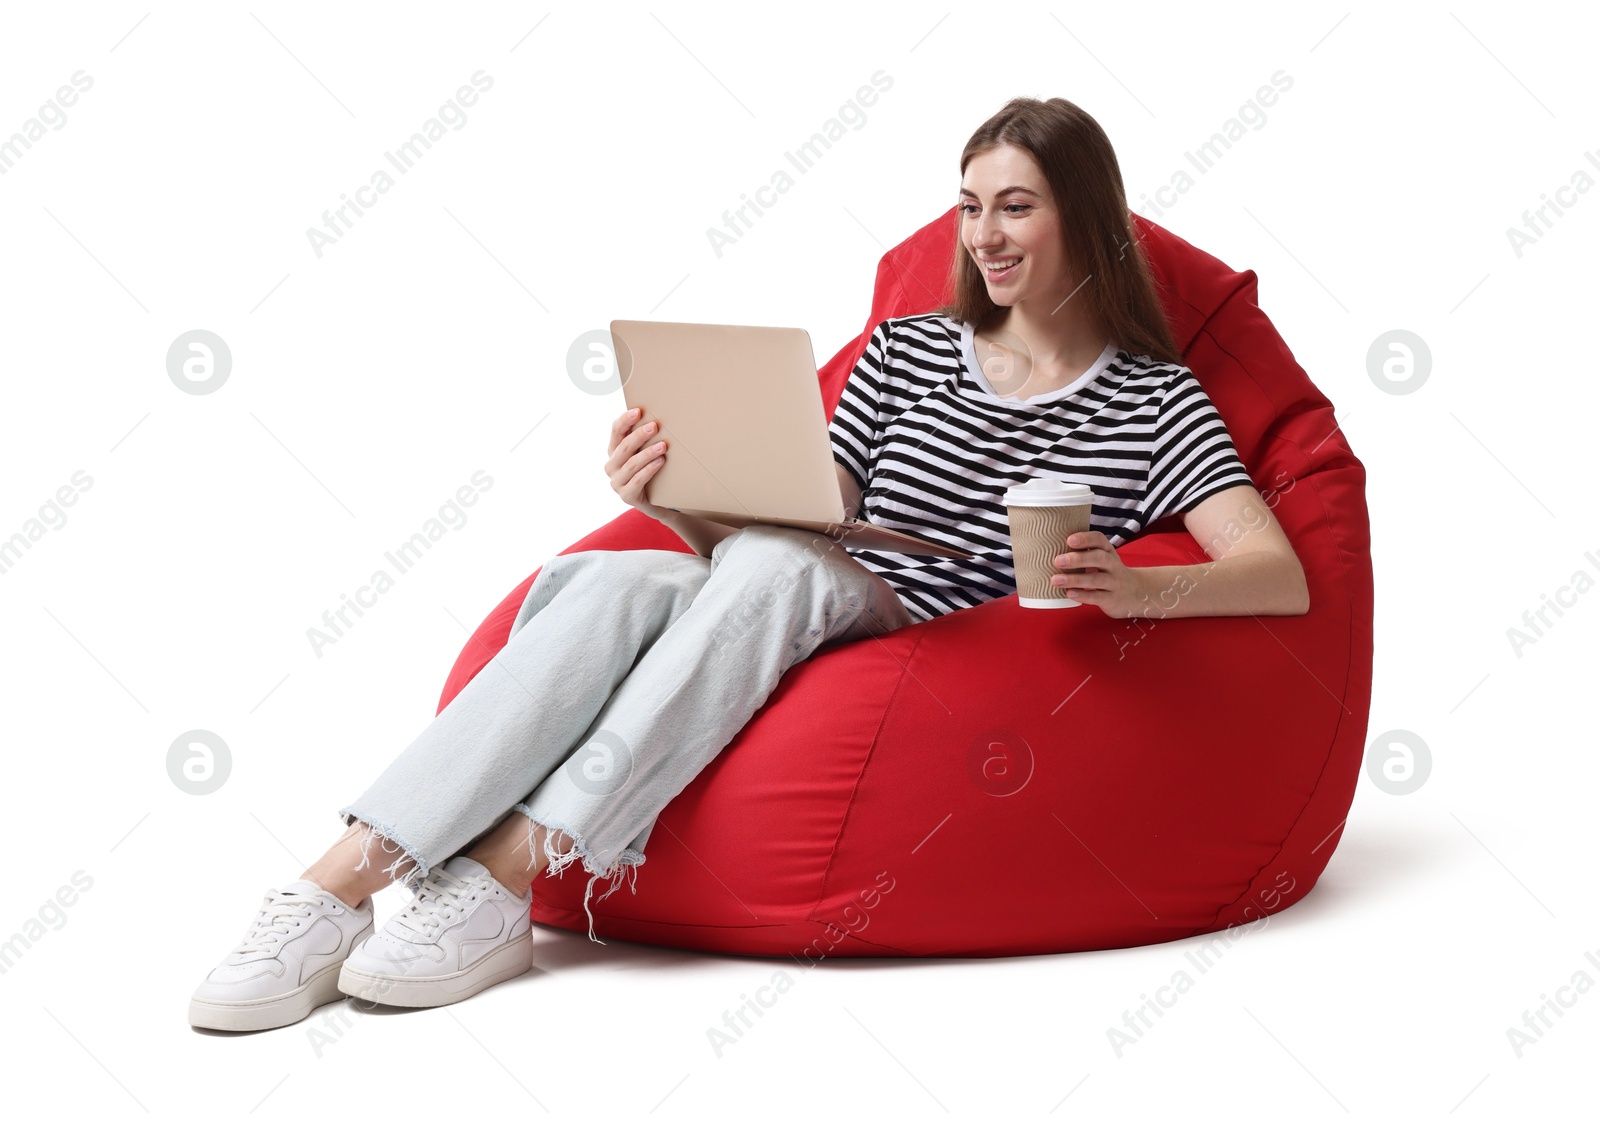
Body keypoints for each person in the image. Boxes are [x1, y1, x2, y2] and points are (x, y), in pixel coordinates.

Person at [188, 96, 1308, 1033]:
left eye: (1016, 204)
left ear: (1087, 218)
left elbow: (1275, 571)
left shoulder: (1152, 401)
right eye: (970, 206)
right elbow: (800, 531)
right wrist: (667, 500)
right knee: (619, 577)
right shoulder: (909, 349)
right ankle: (335, 883)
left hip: (929, 631)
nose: (984, 234)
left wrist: (1134, 584)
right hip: (814, 585)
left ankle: (505, 875)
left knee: (783, 571)